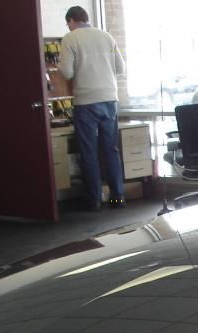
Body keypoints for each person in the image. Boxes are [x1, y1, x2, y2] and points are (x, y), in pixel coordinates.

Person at [60, 6, 127, 211]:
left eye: (68, 24)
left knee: (89, 151)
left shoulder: (70, 39)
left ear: (71, 21)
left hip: (86, 102)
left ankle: (95, 199)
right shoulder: (107, 37)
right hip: (109, 100)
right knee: (111, 149)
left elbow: (66, 72)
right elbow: (121, 68)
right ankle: (117, 197)